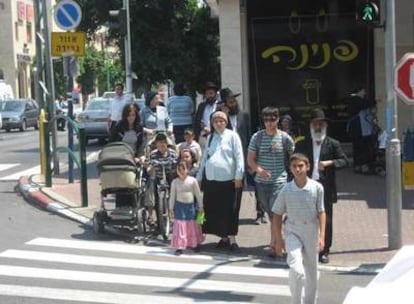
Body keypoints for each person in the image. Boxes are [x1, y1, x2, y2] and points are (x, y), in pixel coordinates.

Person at [294, 108, 348, 264]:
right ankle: (307, 248)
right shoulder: (303, 143)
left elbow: (345, 161)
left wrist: (329, 163)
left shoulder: (333, 143)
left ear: (324, 125)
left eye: (320, 123)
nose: (317, 126)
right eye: (315, 123)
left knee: (326, 220)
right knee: (306, 219)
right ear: (310, 125)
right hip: (306, 187)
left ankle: (324, 250)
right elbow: (293, 162)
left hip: (325, 188)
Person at [272, 153, 326, 304]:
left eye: (301, 166)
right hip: (292, 231)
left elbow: (321, 212)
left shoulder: (317, 188)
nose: (298, 169)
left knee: (312, 273)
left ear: (307, 167)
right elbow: (277, 214)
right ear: (290, 168)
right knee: (297, 271)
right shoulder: (286, 190)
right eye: (294, 166)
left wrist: (322, 236)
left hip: (311, 230)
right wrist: (278, 239)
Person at [247, 106, 294, 256]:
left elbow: (294, 157)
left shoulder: (285, 138)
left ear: (277, 119)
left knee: (276, 213)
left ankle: (277, 244)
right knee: (270, 213)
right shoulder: (257, 137)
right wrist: (259, 170)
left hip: (279, 182)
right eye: (266, 120)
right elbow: (250, 159)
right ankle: (276, 240)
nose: (269, 123)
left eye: (272, 119)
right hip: (261, 183)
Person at [196, 111, 245, 252]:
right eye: (215, 121)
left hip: (229, 180)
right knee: (212, 210)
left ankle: (232, 240)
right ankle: (221, 238)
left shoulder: (233, 136)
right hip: (211, 180)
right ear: (212, 123)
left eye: (221, 121)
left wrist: (239, 176)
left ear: (226, 122)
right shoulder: (210, 137)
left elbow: (239, 157)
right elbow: (204, 159)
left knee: (230, 210)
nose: (218, 123)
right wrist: (199, 177)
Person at [110, 103, 145, 209]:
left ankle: (135, 206)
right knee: (121, 182)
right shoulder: (119, 127)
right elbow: (112, 143)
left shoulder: (139, 128)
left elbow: (141, 145)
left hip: (134, 158)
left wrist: (140, 156)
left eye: (133, 115)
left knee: (135, 181)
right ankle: (120, 206)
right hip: (120, 157)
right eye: (129, 115)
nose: (131, 118)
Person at [169, 161, 205, 255]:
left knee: (192, 225)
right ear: (176, 171)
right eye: (179, 170)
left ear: (187, 170)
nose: (181, 172)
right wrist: (170, 208)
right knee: (180, 226)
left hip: (190, 206)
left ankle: (194, 244)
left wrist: (201, 206)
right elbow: (172, 196)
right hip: (179, 207)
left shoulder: (192, 180)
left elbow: (198, 194)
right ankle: (179, 246)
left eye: (183, 169)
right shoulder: (175, 182)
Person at [146, 133, 178, 222]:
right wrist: (151, 166)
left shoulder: (172, 153)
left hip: (170, 175)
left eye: (163, 142)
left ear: (166, 143)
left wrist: (174, 163)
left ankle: (173, 214)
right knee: (153, 190)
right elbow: (150, 164)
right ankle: (156, 219)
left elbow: (176, 162)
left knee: (174, 188)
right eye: (159, 143)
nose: (161, 145)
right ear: (156, 144)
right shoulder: (153, 154)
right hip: (158, 176)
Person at [193, 82, 219, 147]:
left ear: (215, 94)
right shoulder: (201, 106)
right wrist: (204, 127)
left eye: (211, 93)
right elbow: (197, 120)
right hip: (204, 137)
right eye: (207, 94)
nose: (209, 96)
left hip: (217, 136)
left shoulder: (220, 106)